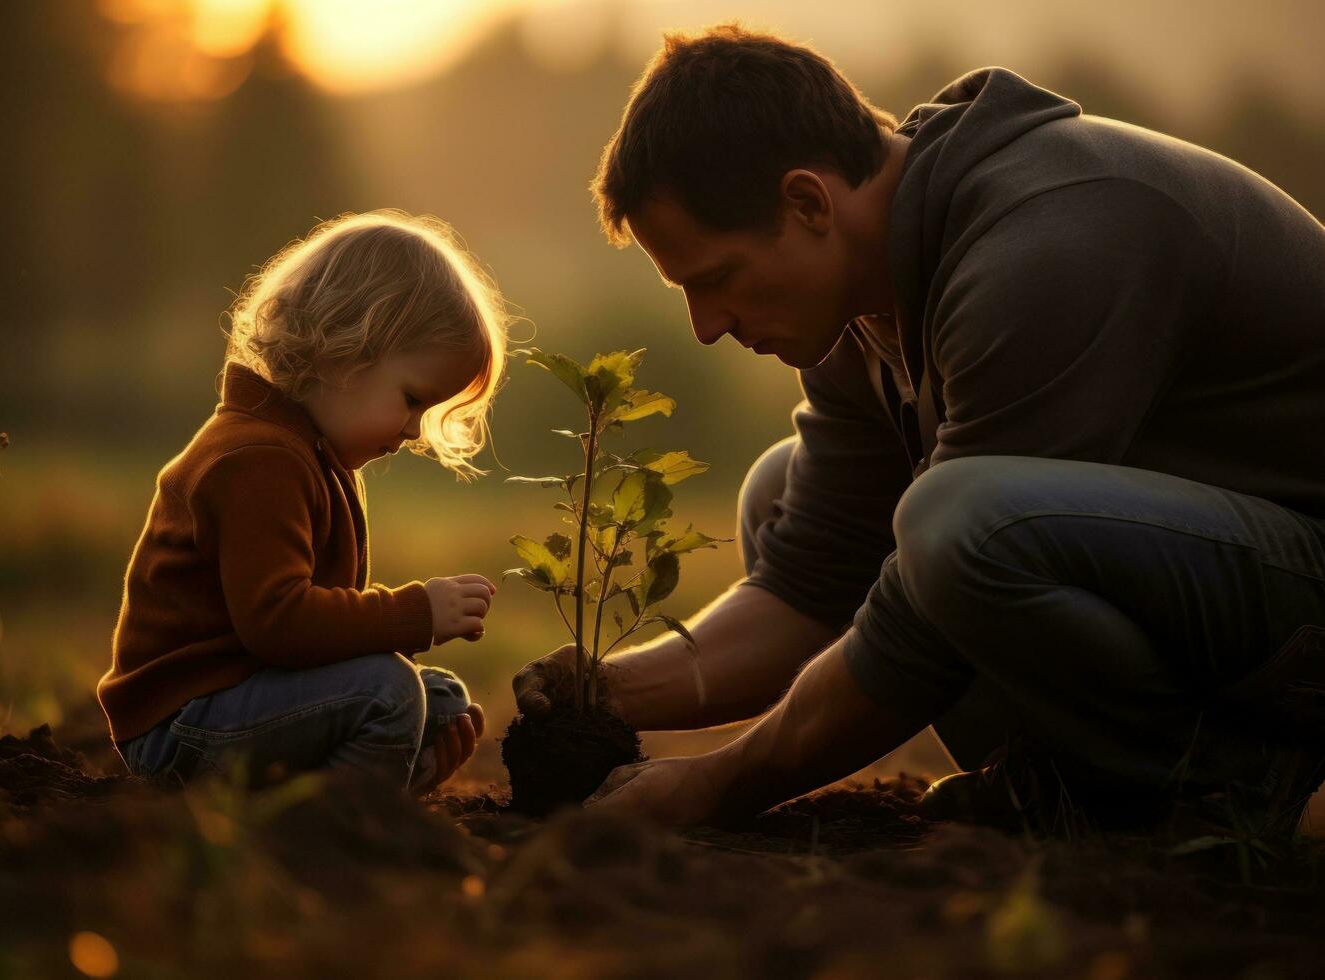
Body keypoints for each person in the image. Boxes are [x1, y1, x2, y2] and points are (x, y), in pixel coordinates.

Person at [514, 25, 1325, 832]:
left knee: (955, 522)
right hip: (1212, 588)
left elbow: (922, 620)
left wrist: (719, 785)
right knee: (781, 492)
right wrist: (607, 691)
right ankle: (1067, 785)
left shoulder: (1046, 244)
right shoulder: (861, 307)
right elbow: (809, 588)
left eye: (718, 278)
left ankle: (1215, 781)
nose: (706, 326)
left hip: (1303, 589)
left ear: (808, 201)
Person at [98, 210, 509, 793]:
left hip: (238, 695)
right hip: (180, 724)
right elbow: (281, 623)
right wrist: (413, 613)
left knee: (437, 700)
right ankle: (326, 824)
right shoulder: (258, 461)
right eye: (412, 399)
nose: (415, 431)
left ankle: (369, 787)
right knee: (389, 691)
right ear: (345, 348)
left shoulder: (304, 451)